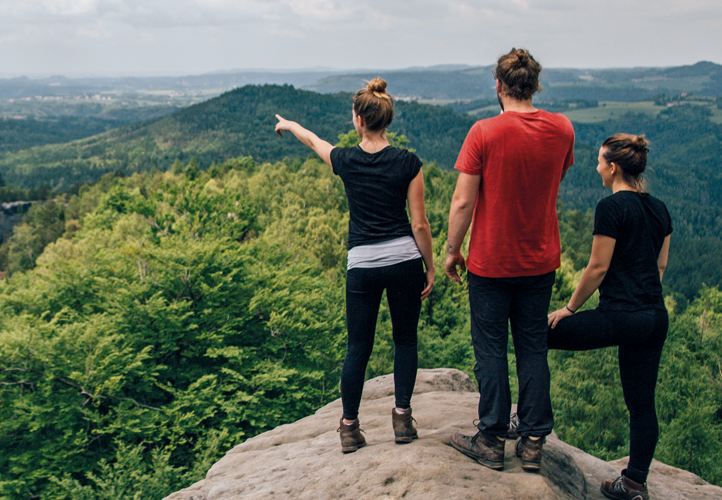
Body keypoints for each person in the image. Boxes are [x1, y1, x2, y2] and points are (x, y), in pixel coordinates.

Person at [274, 78, 437, 453]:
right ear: (386, 120)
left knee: (357, 347)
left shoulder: (346, 160)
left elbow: (315, 141)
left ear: (359, 120)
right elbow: (420, 224)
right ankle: (401, 420)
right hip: (403, 261)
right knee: (405, 340)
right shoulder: (408, 163)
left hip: (361, 263)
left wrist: (289, 125)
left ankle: (349, 428)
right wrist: (428, 265)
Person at [444, 48, 575, 472]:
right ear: (535, 86)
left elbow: (463, 201)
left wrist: (452, 250)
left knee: (491, 349)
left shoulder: (484, 132)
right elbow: (555, 177)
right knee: (533, 346)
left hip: (491, 261)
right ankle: (533, 441)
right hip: (540, 258)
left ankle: (492, 438)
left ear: (498, 86)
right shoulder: (562, 130)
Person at [546, 134, 671, 500]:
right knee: (642, 404)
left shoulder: (611, 207)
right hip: (654, 317)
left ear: (613, 167)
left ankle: (529, 421)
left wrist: (569, 309)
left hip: (619, 314)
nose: (596, 167)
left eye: (599, 161)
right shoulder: (660, 208)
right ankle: (633, 483)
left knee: (537, 335)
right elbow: (660, 265)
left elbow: (598, 267)